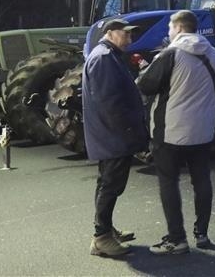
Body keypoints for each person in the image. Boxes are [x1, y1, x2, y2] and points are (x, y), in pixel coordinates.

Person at [136, 10, 215, 255]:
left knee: (169, 183)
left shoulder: (170, 54)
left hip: (170, 132)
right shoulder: (214, 55)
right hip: (203, 130)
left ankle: (177, 238)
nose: (168, 33)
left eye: (169, 29)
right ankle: (202, 233)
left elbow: (146, 85)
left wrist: (145, 69)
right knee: (202, 180)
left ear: (179, 29)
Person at [83, 18, 149, 257]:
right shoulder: (103, 59)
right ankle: (101, 238)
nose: (130, 39)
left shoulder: (107, 56)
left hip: (111, 135)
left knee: (107, 184)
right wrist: (129, 134)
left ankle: (106, 230)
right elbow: (110, 104)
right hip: (112, 137)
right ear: (110, 33)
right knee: (110, 186)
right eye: (126, 34)